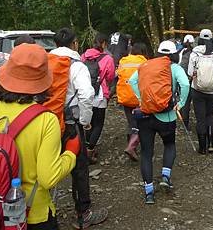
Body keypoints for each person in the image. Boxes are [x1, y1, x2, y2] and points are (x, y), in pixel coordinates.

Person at [0, 43, 79, 229]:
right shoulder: (45, 120)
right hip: (32, 213)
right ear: (43, 80)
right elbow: (48, 178)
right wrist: (71, 154)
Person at [44, 28, 107, 229]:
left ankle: (41, 212)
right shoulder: (77, 66)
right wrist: (86, 119)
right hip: (70, 125)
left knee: (41, 165)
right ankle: (83, 213)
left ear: (55, 44)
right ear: (75, 43)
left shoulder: (44, 62)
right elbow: (86, 94)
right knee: (79, 168)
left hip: (44, 122)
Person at [128, 40, 190, 205]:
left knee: (147, 153)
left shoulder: (146, 65)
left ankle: (149, 193)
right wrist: (181, 103)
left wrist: (143, 100)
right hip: (166, 115)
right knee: (169, 144)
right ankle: (165, 176)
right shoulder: (174, 68)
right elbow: (185, 84)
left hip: (146, 115)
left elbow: (132, 81)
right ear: (172, 54)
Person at [188, 29, 213, 154]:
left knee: (200, 119)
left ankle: (202, 148)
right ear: (212, 38)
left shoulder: (194, 53)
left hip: (197, 90)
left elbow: (189, 72)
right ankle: (211, 145)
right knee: (209, 116)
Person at [81, 33, 115, 164]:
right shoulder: (108, 59)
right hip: (100, 94)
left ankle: (86, 147)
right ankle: (90, 150)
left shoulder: (83, 56)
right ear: (104, 44)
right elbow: (110, 76)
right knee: (98, 123)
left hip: (84, 93)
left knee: (87, 122)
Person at [116, 42, 148, 161]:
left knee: (131, 122)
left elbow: (118, 74)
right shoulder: (144, 62)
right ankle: (132, 146)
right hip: (138, 97)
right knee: (142, 123)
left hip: (125, 96)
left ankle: (131, 144)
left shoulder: (123, 61)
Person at [177, 34, 195, 129]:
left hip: (180, 79)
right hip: (189, 80)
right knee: (188, 102)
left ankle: (184, 120)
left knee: (184, 101)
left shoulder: (180, 52)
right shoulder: (193, 54)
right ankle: (186, 123)